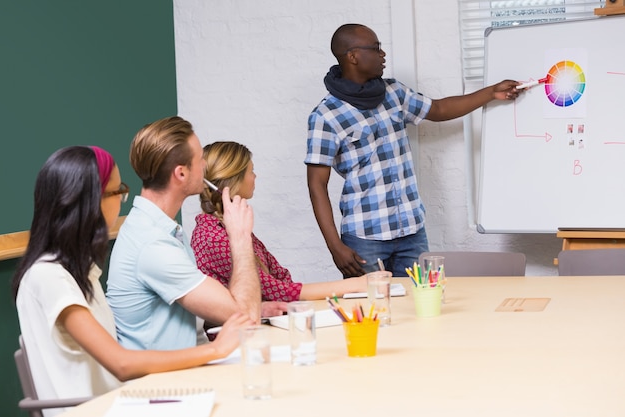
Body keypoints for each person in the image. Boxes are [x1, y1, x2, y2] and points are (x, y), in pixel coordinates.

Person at [11, 146, 253, 415]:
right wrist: (216, 350)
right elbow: (121, 364)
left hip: (120, 403)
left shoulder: (79, 274)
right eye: (118, 192)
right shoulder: (48, 277)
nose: (123, 199)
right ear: (90, 202)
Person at [305, 23, 522, 278]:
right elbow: (316, 185)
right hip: (365, 238)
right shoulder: (325, 116)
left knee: (422, 307)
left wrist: (490, 93)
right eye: (375, 49)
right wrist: (335, 247)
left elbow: (439, 110)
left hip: (411, 232)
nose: (383, 54)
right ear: (352, 56)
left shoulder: (393, 92)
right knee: (373, 314)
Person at [106, 116, 286, 351]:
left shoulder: (159, 228)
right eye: (200, 159)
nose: (205, 166)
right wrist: (240, 237)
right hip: (166, 383)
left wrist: (257, 308)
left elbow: (201, 308)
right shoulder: (153, 245)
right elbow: (246, 318)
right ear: (181, 173)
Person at [191, 141, 368, 302]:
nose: (255, 176)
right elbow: (274, 290)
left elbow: (280, 275)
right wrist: (355, 285)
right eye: (251, 171)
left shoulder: (229, 225)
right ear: (234, 179)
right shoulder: (213, 237)